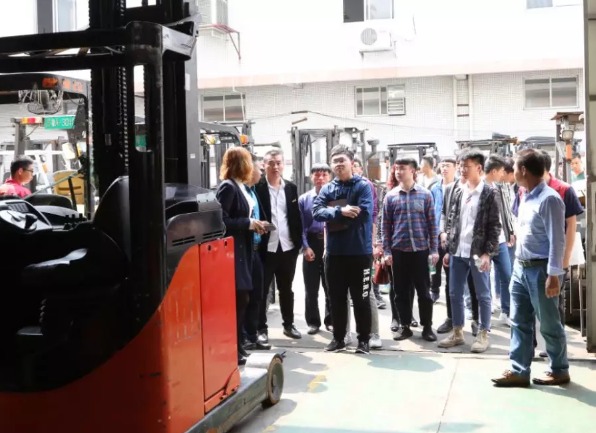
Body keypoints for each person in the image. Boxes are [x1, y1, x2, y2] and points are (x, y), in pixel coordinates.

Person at [492, 149, 569, 387]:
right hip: (521, 267)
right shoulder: (525, 195)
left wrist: (553, 275)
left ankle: (559, 369)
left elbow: (558, 240)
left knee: (549, 323)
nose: (512, 172)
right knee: (519, 321)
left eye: (515, 167)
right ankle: (519, 370)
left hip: (541, 270)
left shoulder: (549, 199)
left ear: (523, 170)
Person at [438, 150, 501, 353]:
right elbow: (452, 220)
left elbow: (494, 226)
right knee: (454, 293)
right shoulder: (458, 191)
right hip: (458, 251)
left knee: (483, 295)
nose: (462, 169)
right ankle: (457, 332)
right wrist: (449, 249)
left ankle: (483, 334)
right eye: (461, 165)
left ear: (479, 168)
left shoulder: (489, 193)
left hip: (477, 253)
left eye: (467, 166)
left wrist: (487, 253)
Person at [313, 145, 373, 354]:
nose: (339, 164)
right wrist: (341, 211)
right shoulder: (328, 189)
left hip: (360, 253)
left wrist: (334, 215)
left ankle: (363, 340)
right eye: (335, 161)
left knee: (361, 298)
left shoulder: (363, 186)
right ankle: (338, 339)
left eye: (342, 160)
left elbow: (364, 214)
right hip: (335, 254)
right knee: (336, 298)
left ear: (351, 163)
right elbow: (317, 212)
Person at [215, 147, 268, 365]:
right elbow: (221, 220)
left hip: (243, 248)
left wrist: (254, 224)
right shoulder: (228, 187)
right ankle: (234, 347)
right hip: (234, 251)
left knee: (244, 297)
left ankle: (238, 346)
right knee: (240, 298)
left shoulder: (239, 186)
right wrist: (248, 223)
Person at [382, 158, 438, 342]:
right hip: (398, 251)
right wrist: (387, 251)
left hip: (420, 250)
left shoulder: (425, 195)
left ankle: (427, 326)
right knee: (400, 292)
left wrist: (434, 250)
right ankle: (405, 326)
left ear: (413, 171)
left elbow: (432, 224)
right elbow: (385, 227)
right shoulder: (390, 196)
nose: (398, 172)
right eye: (396, 169)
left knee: (424, 292)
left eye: (403, 169)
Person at [255, 149, 303, 341]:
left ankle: (288, 325)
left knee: (286, 289)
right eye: (271, 163)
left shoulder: (291, 188)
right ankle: (261, 329)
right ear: (264, 165)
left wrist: (298, 243)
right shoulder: (257, 187)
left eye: (278, 163)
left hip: (288, 247)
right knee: (262, 290)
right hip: (266, 248)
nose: (275, 167)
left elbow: (295, 217)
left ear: (284, 165)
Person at [298, 163, 332, 335]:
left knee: (330, 285)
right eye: (317, 175)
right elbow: (301, 226)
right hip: (311, 242)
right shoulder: (304, 199)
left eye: (324, 175)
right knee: (311, 288)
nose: (320, 178)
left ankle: (330, 320)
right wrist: (305, 247)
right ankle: (313, 322)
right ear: (311, 177)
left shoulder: (334, 197)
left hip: (330, 242)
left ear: (329, 177)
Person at [243, 155, 272, 351]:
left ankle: (252, 336)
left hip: (256, 249)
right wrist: (250, 224)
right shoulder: (233, 189)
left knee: (257, 295)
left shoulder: (252, 191)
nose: (262, 172)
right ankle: (245, 337)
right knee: (246, 297)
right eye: (259, 168)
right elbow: (225, 220)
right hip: (244, 251)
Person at [483, 155, 514, 325]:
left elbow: (505, 212)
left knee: (507, 275)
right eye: (501, 170)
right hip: (484, 242)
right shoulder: (479, 188)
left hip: (501, 240)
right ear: (494, 171)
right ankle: (484, 313)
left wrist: (509, 231)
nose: (503, 173)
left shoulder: (500, 187)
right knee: (484, 277)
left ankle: (506, 311)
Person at [431, 157, 455, 304]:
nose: (444, 168)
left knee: (450, 266)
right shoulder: (435, 188)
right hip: (435, 232)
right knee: (435, 264)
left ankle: (450, 294)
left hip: (451, 233)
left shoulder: (459, 187)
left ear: (455, 168)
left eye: (448, 166)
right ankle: (434, 290)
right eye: (442, 165)